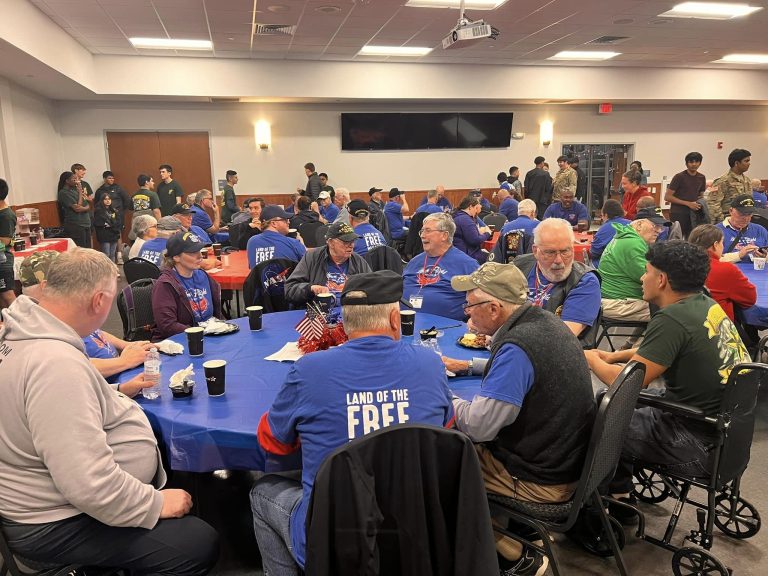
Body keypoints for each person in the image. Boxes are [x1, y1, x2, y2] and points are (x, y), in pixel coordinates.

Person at [0, 248, 219, 575]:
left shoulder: (26, 331)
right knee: (198, 543)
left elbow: (49, 407)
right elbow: (87, 484)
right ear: (100, 301)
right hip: (51, 521)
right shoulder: (55, 364)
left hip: (40, 501)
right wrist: (155, 504)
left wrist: (115, 391)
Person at [250, 269, 455, 576]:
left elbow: (273, 443)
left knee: (261, 490)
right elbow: (445, 433)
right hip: (416, 534)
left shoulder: (309, 371)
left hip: (334, 541)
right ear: (395, 319)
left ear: (345, 324)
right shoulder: (430, 364)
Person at [448, 262, 595, 575]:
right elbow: (524, 369)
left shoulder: (517, 346)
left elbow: (479, 425)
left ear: (494, 308)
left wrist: (443, 397)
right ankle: (514, 529)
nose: (466, 314)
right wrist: (468, 366)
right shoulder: (544, 321)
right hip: (571, 463)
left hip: (542, 481)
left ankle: (515, 555)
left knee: (440, 465)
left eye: (470, 305)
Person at [586, 241, 751, 511]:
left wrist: (592, 358)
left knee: (600, 417)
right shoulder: (703, 303)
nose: (642, 277)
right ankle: (620, 492)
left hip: (694, 444)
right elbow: (660, 351)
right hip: (727, 436)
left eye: (647, 271)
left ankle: (596, 510)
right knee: (613, 402)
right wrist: (614, 356)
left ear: (661, 279)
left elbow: (626, 384)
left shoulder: (671, 319)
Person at [514, 218, 601, 341]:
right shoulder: (520, 265)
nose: (559, 260)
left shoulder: (585, 281)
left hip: (558, 356)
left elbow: (561, 338)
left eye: (565, 251)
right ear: (535, 251)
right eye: (550, 253)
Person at [403, 212, 479, 320]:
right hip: (406, 325)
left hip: (446, 329)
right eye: (422, 231)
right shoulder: (414, 261)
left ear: (444, 235)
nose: (422, 235)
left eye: (428, 231)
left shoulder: (467, 265)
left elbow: (479, 303)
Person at [599, 206, 668, 323]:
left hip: (610, 298)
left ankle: (634, 342)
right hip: (619, 303)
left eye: (661, 226)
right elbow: (655, 280)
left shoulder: (626, 236)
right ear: (640, 225)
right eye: (655, 225)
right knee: (673, 313)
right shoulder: (633, 244)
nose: (659, 230)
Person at [151, 231, 223, 341]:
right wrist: (200, 332)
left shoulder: (203, 275)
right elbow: (167, 326)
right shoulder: (165, 285)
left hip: (209, 336)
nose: (200, 256)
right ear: (176, 257)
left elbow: (217, 313)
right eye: (192, 252)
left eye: (199, 250)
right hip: (181, 342)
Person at [285, 222, 371, 306]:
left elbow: (372, 287)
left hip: (351, 310)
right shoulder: (312, 257)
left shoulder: (358, 260)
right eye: (346, 242)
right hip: (321, 312)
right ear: (331, 243)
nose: (351, 245)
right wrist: (310, 288)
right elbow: (290, 289)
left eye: (353, 241)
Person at [688, 224, 758, 322]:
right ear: (715, 245)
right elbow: (750, 299)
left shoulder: (680, 266)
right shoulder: (725, 269)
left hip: (687, 324)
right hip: (718, 329)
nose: (723, 246)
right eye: (722, 242)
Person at [665, 152, 707, 238]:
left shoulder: (702, 177)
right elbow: (668, 197)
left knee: (692, 237)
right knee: (676, 238)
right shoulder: (679, 177)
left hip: (693, 214)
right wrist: (688, 203)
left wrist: (699, 204)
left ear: (700, 163)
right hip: (678, 213)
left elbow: (701, 195)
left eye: (696, 162)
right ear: (686, 163)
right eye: (691, 162)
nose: (694, 164)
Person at [716, 195, 768, 263]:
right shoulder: (716, 231)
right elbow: (710, 261)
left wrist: (765, 257)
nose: (746, 218)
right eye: (741, 214)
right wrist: (739, 255)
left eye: (749, 214)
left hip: (758, 271)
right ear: (731, 211)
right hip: (730, 271)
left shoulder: (760, 230)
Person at [708, 148, 752, 224]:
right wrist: (722, 222)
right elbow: (713, 204)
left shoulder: (747, 180)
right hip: (728, 221)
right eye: (746, 161)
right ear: (736, 163)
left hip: (744, 220)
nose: (749, 163)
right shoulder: (722, 181)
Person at [95, 171, 132, 258]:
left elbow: (127, 199)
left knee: (117, 233)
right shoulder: (100, 191)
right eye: (109, 178)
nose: (112, 180)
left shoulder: (118, 188)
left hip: (117, 215)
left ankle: (119, 256)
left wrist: (121, 211)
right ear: (104, 179)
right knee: (107, 250)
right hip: (104, 218)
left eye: (112, 178)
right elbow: (97, 203)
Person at [589, 199, 629, 266]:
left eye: (602, 216)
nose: (602, 219)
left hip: (609, 266)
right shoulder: (632, 224)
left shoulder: (604, 229)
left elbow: (594, 253)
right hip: (629, 264)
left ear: (606, 215)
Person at [452, 196, 492, 263]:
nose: (479, 207)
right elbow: (475, 240)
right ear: (470, 207)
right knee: (493, 257)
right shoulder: (465, 220)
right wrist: (487, 233)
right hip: (467, 256)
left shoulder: (459, 216)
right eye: (476, 207)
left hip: (461, 252)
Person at [57, 171, 92, 248]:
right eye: (74, 179)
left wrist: (84, 208)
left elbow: (88, 206)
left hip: (86, 223)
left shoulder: (74, 190)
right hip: (76, 225)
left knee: (88, 250)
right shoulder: (63, 193)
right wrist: (80, 192)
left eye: (77, 179)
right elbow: (77, 208)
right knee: (81, 250)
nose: (77, 181)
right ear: (67, 181)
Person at [0, 178, 17, 309]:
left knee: (8, 295)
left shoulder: (6, 215)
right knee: (2, 297)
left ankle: (20, 323)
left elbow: (5, 241)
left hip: (3, 261)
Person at [93, 194, 121, 263]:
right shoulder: (98, 210)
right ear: (102, 200)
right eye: (105, 199)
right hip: (104, 235)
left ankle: (113, 271)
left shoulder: (114, 210)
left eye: (109, 199)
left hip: (113, 234)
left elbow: (118, 221)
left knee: (112, 254)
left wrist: (112, 224)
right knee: (106, 254)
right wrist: (107, 224)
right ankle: (106, 271)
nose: (108, 201)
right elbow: (97, 222)